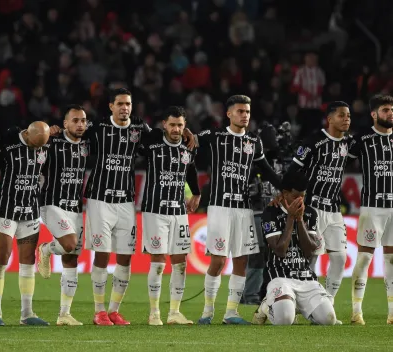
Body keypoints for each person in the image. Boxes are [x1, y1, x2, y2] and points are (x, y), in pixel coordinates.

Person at [83, 88, 193, 325]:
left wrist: (185, 131)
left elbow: (166, 134)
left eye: (128, 104)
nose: (125, 108)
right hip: (99, 198)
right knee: (102, 254)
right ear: (111, 106)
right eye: (120, 104)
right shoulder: (98, 128)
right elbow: (74, 134)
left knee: (125, 257)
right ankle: (99, 310)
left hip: (126, 200)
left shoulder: (139, 129)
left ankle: (113, 310)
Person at [195, 95, 281, 325]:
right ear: (229, 114)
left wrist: (285, 188)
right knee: (218, 260)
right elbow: (191, 140)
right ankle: (207, 312)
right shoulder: (215, 135)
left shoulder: (254, 142)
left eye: (247, 112)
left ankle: (231, 313)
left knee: (241, 260)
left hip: (243, 208)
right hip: (219, 207)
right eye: (240, 111)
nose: (244, 115)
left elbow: (266, 169)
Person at [282, 101, 351, 322]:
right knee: (310, 259)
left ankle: (326, 304)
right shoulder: (313, 142)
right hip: (312, 208)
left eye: (348, 115)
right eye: (341, 115)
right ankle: (307, 305)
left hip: (334, 210)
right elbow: (292, 169)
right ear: (329, 119)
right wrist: (287, 195)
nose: (347, 119)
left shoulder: (347, 143)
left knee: (339, 258)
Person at [139, 106, 201, 326]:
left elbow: (191, 169)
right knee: (157, 261)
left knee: (180, 262)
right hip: (155, 210)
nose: (176, 129)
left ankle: (174, 312)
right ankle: (154, 312)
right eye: (172, 124)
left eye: (180, 125)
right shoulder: (152, 141)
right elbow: (139, 126)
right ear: (164, 124)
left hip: (179, 211)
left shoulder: (188, 147)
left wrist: (197, 192)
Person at [252, 171, 337, 326]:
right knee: (284, 320)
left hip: (305, 278)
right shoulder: (271, 213)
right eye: (295, 196)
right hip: (279, 278)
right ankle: (265, 306)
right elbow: (280, 251)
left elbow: (310, 252)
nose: (299, 201)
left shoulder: (310, 213)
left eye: (303, 197)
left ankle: (296, 304)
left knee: (329, 320)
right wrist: (291, 218)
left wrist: (299, 220)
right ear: (284, 194)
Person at [0, 121, 51, 326]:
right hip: (6, 210)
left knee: (28, 261)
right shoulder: (8, 148)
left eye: (41, 145)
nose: (37, 149)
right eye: (35, 144)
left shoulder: (44, 148)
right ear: (26, 134)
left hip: (31, 210)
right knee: (2, 258)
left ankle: (27, 314)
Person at [37, 105, 88, 326]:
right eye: (75, 120)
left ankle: (64, 314)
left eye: (83, 121)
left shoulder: (87, 144)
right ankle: (46, 249)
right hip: (52, 204)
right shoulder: (53, 143)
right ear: (65, 124)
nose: (80, 124)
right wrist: (48, 134)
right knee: (69, 244)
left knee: (71, 258)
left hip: (76, 207)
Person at [348, 94, 393, 325]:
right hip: (372, 207)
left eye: (392, 109)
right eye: (385, 110)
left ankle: (392, 313)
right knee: (365, 258)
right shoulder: (363, 140)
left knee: (392, 259)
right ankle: (357, 312)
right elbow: (341, 163)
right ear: (374, 114)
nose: (390, 113)